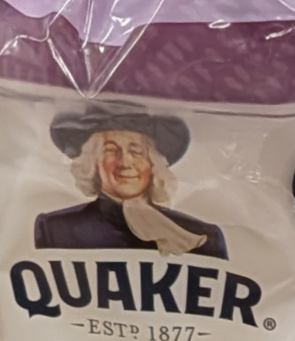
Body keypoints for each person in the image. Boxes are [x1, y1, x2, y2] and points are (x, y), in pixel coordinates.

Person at [35, 106, 228, 258]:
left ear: (153, 164)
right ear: (93, 163)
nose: (125, 162)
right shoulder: (55, 229)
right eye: (111, 151)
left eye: (136, 152)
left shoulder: (200, 235)